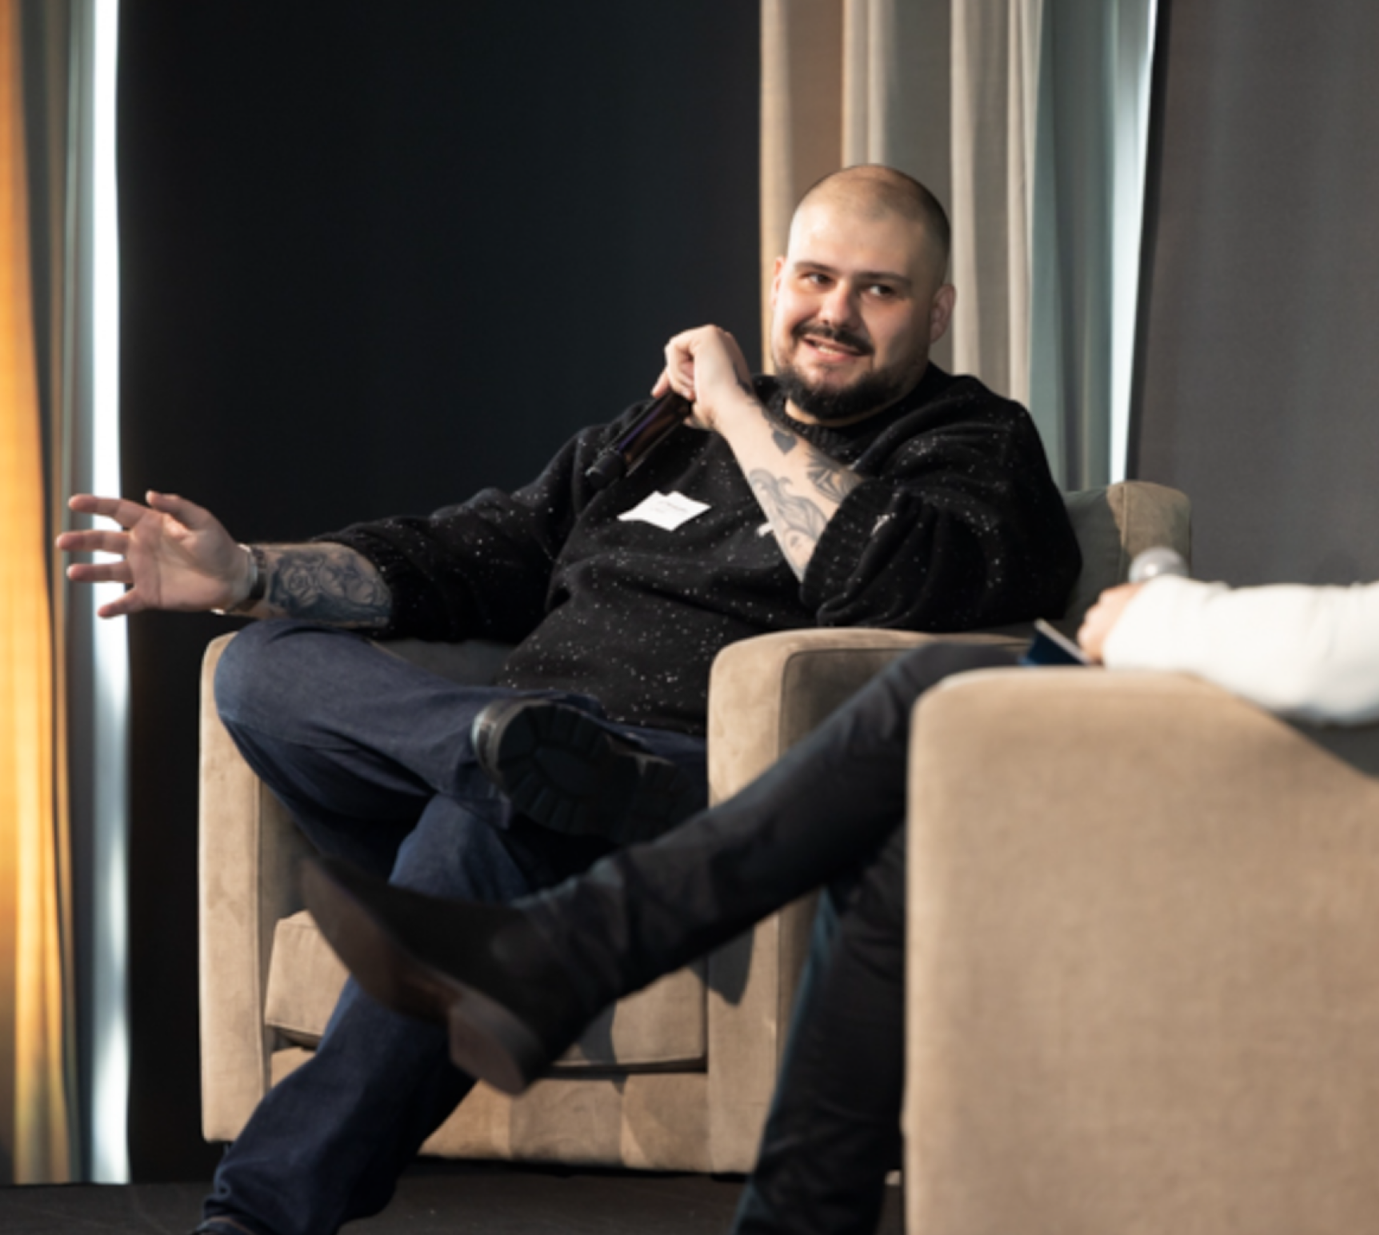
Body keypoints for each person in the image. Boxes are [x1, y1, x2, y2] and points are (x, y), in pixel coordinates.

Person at [299, 128, 1379, 1235]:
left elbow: (1352, 658)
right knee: (929, 785)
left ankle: (570, 953)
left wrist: (1152, 613)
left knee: (942, 702)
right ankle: (782, 1189)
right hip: (1337, 797)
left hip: (1327, 829)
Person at [58, 165, 1081, 1235]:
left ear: (939, 308)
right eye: (816, 277)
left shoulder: (970, 442)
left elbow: (884, 576)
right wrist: (249, 576)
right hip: (522, 757)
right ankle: (500, 753)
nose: (834, 312)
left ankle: (254, 1220)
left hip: (685, 800)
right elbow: (473, 551)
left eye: (877, 289)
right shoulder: (650, 440)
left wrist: (735, 406)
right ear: (776, 278)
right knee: (262, 666)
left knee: (472, 833)